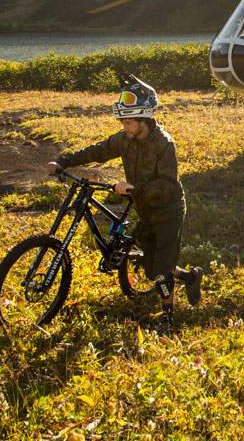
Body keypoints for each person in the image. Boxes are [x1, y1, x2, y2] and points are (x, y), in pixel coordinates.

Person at [47, 73, 201, 331]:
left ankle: (168, 320)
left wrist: (135, 188)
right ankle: (190, 276)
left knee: (161, 273)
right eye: (122, 122)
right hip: (145, 210)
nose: (125, 127)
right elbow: (97, 151)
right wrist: (64, 161)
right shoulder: (124, 139)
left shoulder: (164, 144)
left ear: (145, 118)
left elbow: (167, 185)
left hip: (168, 210)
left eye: (129, 122)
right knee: (152, 270)